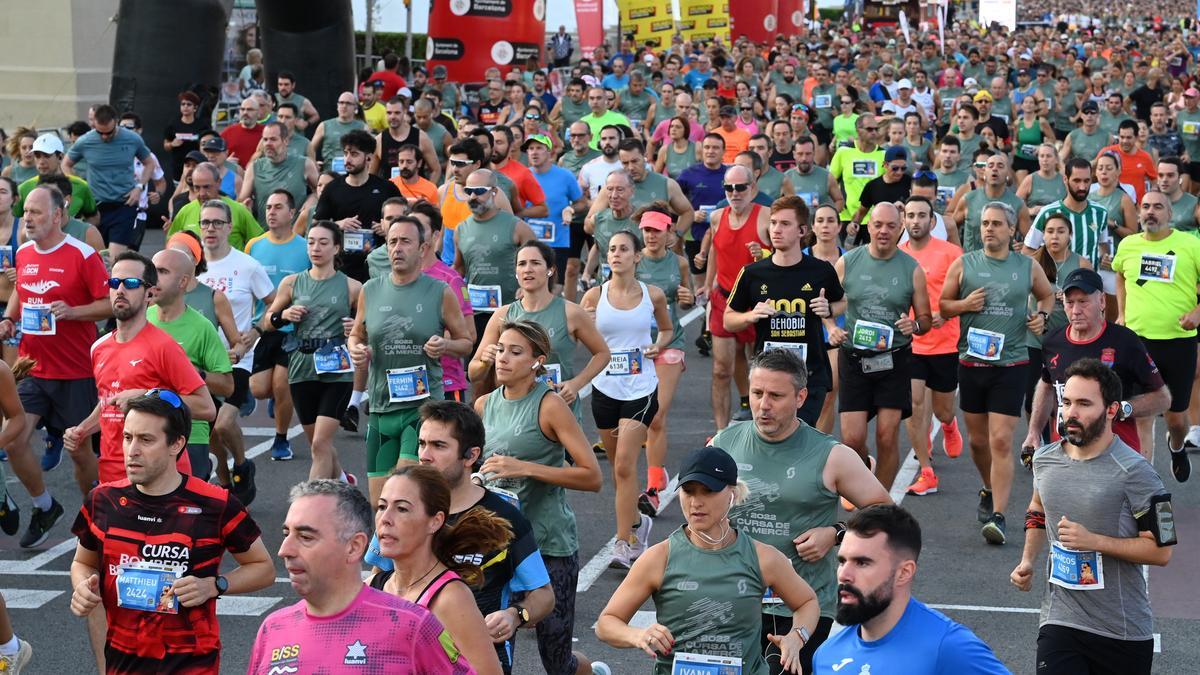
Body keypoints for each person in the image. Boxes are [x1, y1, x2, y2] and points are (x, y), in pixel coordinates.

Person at [712, 349, 892, 674]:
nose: (764, 405)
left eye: (776, 396)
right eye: (757, 393)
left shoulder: (831, 455)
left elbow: (887, 514)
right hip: (733, 600)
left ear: (801, 397)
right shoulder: (725, 443)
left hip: (801, 606)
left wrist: (837, 533)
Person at [68, 391, 273, 674]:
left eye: (146, 440)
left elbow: (263, 567)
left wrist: (215, 585)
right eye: (128, 437)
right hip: (123, 662)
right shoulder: (103, 500)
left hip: (191, 663)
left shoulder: (216, 504)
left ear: (177, 443)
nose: (132, 450)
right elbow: (83, 562)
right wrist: (81, 587)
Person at [364, 401, 556, 674]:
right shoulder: (402, 510)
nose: (424, 456)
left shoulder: (504, 518)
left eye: (438, 446)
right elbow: (378, 581)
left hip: (480, 659)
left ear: (470, 456)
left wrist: (515, 616)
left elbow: (544, 594)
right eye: (421, 444)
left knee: (562, 663)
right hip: (405, 658)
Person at [1011, 359, 1176, 675]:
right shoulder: (1044, 461)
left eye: (1084, 404)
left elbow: (1162, 551)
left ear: (1111, 410)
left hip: (1122, 632)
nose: (1071, 412)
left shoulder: (1139, 473)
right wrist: (1028, 559)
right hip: (1061, 618)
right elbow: (1037, 508)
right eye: (1067, 402)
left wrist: (1093, 541)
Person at [596, 446, 822, 675]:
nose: (696, 502)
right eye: (689, 490)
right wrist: (637, 635)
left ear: (732, 494)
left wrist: (797, 637)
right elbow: (607, 623)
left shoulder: (763, 557)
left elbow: (807, 602)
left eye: (708, 491)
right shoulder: (659, 557)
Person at [476, 320, 603, 674]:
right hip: (500, 545)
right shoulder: (484, 405)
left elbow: (592, 477)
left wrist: (526, 468)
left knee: (556, 661)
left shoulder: (549, 405)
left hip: (549, 544)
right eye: (500, 349)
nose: (503, 358)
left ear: (537, 361)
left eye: (515, 352)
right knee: (495, 648)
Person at [247, 479, 475, 674]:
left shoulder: (412, 626)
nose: (284, 550)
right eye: (287, 534)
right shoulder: (273, 629)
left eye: (306, 537)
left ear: (354, 547)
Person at [0, 185, 110, 548]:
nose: (27, 218)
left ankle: (96, 513)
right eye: (26, 211)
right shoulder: (26, 252)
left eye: (36, 212)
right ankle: (43, 505)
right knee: (14, 439)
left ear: (58, 215)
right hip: (33, 367)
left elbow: (109, 304)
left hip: (77, 371)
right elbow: (23, 289)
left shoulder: (82, 255)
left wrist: (72, 311)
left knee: (79, 450)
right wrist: (10, 317)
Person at [942, 201, 1055, 545]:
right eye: (984, 223)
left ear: (1011, 230)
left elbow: (1047, 296)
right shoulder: (964, 264)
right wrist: (964, 305)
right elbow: (944, 306)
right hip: (972, 363)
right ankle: (988, 488)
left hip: (1013, 363)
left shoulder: (1027, 266)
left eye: (995, 224)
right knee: (978, 442)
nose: (988, 228)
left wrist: (1042, 316)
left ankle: (1000, 516)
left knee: (1002, 440)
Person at [349, 216, 474, 506]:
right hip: (381, 407)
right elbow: (357, 334)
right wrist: (356, 348)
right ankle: (390, 552)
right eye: (392, 241)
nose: (397, 248)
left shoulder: (440, 291)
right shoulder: (370, 290)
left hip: (422, 408)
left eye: (405, 241)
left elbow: (466, 341)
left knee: (404, 490)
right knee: (379, 501)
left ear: (423, 248)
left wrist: (445, 345)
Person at [65, 251, 217, 481]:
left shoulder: (164, 347)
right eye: (114, 283)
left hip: (159, 478)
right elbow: (109, 401)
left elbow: (206, 408)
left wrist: (147, 397)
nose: (120, 290)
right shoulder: (99, 347)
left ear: (149, 294)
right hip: (112, 474)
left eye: (132, 283)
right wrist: (83, 429)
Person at [814, 505, 1008, 673]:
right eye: (842, 561)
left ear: (904, 572)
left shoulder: (948, 648)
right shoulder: (827, 655)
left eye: (862, 563)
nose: (843, 574)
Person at [581, 230, 673, 566]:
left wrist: (658, 345)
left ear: (637, 256)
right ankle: (637, 520)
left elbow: (666, 329)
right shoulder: (593, 296)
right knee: (619, 467)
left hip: (641, 387)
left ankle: (625, 541)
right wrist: (587, 326)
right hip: (605, 389)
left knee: (622, 465)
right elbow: (584, 340)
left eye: (624, 249)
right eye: (612, 250)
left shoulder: (653, 295)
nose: (616, 254)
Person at [370, 463, 508, 674]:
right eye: (382, 506)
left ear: (435, 522)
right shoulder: (370, 589)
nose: (385, 519)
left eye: (402, 508)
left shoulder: (450, 599)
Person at [834, 202, 933, 493]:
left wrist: (914, 326)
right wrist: (831, 327)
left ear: (900, 227)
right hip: (854, 358)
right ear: (869, 226)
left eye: (891, 225)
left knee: (887, 435)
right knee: (851, 440)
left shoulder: (911, 269)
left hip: (893, 360)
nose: (884, 231)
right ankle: (865, 472)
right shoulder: (848, 261)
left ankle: (879, 501)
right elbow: (828, 303)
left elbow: (925, 318)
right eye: (878, 225)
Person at [1025, 267, 1169, 461]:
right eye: (1070, 303)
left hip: (1115, 455)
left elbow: (1162, 398)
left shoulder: (1125, 341)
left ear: (1101, 301)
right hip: (1066, 453)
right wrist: (1034, 432)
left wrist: (1123, 409)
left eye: (1083, 302)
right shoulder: (1053, 341)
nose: (1075, 311)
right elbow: (1047, 385)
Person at [725, 195, 844, 426]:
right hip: (768, 375)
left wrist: (828, 308)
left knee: (798, 433)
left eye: (785, 224)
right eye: (773, 223)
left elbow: (842, 301)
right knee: (772, 437)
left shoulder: (821, 271)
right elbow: (729, 319)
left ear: (802, 231)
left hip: (810, 374)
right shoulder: (752, 273)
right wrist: (751, 315)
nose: (776, 230)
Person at [261, 220, 362, 481]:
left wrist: (355, 327)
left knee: (320, 443)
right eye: (311, 242)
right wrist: (283, 315)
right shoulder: (292, 284)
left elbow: (367, 327)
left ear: (336, 248)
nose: (316, 248)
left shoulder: (352, 287)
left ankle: (311, 505)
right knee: (320, 445)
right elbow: (266, 321)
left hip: (336, 371)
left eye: (323, 242)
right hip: (301, 367)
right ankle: (342, 480)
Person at [1111, 189, 1200, 481]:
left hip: (1179, 342)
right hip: (1138, 342)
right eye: (1146, 206)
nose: (1151, 211)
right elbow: (1121, 276)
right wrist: (1122, 313)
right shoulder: (1128, 245)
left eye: (1158, 207)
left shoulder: (1190, 245)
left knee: (1176, 419)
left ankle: (1176, 447)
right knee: (1141, 415)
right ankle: (1143, 481)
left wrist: (1198, 312)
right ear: (1139, 212)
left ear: (1170, 213)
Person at [470, 240, 609, 417]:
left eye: (535, 263)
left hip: (559, 409)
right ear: (516, 273)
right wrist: (485, 362)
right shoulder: (502, 315)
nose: (528, 269)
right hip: (513, 412)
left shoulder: (571, 312)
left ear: (550, 270)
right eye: (522, 264)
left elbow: (603, 353)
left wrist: (576, 384)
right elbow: (474, 373)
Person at [194, 199, 274, 503]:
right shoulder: (193, 267)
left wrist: (253, 332)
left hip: (237, 359)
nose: (210, 229)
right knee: (211, 428)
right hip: (202, 360)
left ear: (229, 227)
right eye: (205, 223)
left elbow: (274, 304)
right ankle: (227, 485)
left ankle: (243, 466)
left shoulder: (247, 266)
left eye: (217, 223)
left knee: (225, 422)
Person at [146, 249, 235, 480]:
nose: (153, 278)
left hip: (189, 435)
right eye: (152, 271)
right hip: (146, 432)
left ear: (183, 281)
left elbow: (227, 385)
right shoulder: (141, 320)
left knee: (186, 511)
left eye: (163, 272)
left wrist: (196, 374)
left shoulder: (201, 326)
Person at [898, 196, 964, 496]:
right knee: (913, 405)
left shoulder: (951, 254)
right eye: (910, 215)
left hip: (945, 342)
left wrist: (945, 313)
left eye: (922, 215)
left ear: (931, 221)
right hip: (910, 344)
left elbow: (967, 297)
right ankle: (926, 471)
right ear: (904, 220)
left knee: (944, 408)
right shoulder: (897, 255)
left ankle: (949, 426)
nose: (915, 221)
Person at [633, 207, 694, 514]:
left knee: (655, 414)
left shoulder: (679, 263)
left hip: (671, 341)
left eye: (657, 230)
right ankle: (650, 476)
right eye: (647, 230)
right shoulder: (633, 261)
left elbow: (688, 298)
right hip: (635, 346)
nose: (651, 236)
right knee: (635, 417)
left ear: (670, 233)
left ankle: (654, 487)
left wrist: (688, 299)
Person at [702, 164, 770, 430]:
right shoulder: (717, 216)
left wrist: (762, 254)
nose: (735, 193)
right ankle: (720, 432)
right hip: (724, 299)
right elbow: (716, 253)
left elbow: (785, 254)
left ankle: (759, 427)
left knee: (760, 370)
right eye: (729, 188)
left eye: (741, 187)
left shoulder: (766, 216)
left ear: (753, 188)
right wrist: (708, 285)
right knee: (721, 370)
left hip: (758, 302)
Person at [244, 189, 310, 461]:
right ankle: (278, 398)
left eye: (278, 207)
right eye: (268, 206)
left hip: (294, 329)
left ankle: (281, 439)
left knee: (283, 384)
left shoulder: (305, 247)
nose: (271, 211)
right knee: (259, 388)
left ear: (291, 213)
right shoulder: (254, 245)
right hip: (264, 326)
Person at [62, 104, 158, 257]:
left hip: (124, 204)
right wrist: (80, 186)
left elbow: (149, 163)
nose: (104, 137)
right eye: (100, 132)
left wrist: (139, 187)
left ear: (116, 122)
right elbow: (66, 164)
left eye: (109, 132)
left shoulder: (132, 138)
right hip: (95, 208)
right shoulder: (86, 140)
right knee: (98, 256)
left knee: (114, 257)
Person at [453, 169, 537, 338]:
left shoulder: (516, 227)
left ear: (494, 191)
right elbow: (459, 269)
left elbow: (539, 264)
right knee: (477, 363)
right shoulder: (461, 229)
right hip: (475, 314)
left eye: (479, 191)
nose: (473, 197)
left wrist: (526, 288)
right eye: (468, 191)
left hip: (512, 313)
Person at [314, 129, 403, 282]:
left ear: (368, 158)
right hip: (341, 266)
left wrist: (388, 229)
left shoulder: (387, 188)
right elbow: (315, 226)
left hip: (380, 265)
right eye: (345, 153)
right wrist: (338, 224)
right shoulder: (332, 188)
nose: (348, 159)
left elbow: (405, 223)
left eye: (354, 154)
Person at [165, 162, 264, 251]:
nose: (202, 193)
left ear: (219, 183)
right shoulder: (185, 211)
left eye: (206, 187)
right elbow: (172, 245)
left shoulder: (238, 210)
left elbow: (261, 243)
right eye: (197, 187)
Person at [237, 122, 317, 221]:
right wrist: (245, 207)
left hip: (295, 232)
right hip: (263, 232)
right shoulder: (254, 167)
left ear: (286, 141)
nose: (268, 144)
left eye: (273, 139)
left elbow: (321, 191)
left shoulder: (304, 164)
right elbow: (242, 200)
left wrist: (312, 199)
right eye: (265, 139)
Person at [308, 91, 369, 170]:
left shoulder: (363, 127)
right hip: (330, 173)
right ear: (337, 106)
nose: (344, 106)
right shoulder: (324, 125)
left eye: (348, 103)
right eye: (341, 103)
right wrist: (313, 163)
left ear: (355, 107)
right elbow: (310, 149)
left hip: (353, 173)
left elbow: (370, 153)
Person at [217, 98, 264, 170]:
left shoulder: (266, 132)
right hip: (232, 177)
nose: (245, 112)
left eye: (250, 109)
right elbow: (216, 157)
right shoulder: (228, 132)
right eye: (242, 109)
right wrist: (225, 162)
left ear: (258, 113)